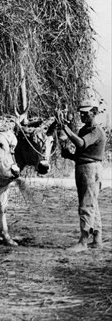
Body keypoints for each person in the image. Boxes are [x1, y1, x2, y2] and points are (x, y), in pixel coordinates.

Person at [59, 99, 106, 252]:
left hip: (90, 170)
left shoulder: (96, 131)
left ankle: (83, 241)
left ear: (95, 113)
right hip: (84, 167)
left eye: (85, 114)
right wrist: (68, 155)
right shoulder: (84, 130)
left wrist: (67, 130)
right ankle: (97, 239)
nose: (82, 116)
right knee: (92, 204)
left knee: (86, 204)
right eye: (81, 114)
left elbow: (81, 144)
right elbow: (81, 154)